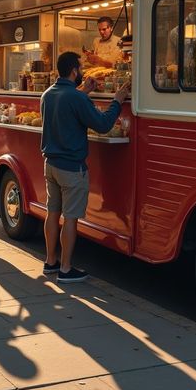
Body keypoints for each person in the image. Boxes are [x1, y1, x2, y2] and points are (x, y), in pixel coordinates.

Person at [40, 51, 129, 283]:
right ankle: (66, 269)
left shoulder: (48, 94)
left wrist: (84, 92)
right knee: (70, 218)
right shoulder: (77, 98)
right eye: (80, 68)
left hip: (50, 164)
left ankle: (51, 262)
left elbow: (67, 105)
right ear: (73, 71)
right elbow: (102, 124)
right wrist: (117, 101)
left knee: (52, 213)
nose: (82, 71)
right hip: (72, 167)